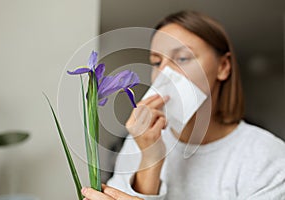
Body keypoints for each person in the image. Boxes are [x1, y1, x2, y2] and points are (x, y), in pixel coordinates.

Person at [81, 10, 285, 200]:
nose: (165, 72)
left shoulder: (266, 154)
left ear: (223, 67)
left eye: (182, 58)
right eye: (156, 62)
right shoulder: (139, 141)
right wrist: (151, 158)